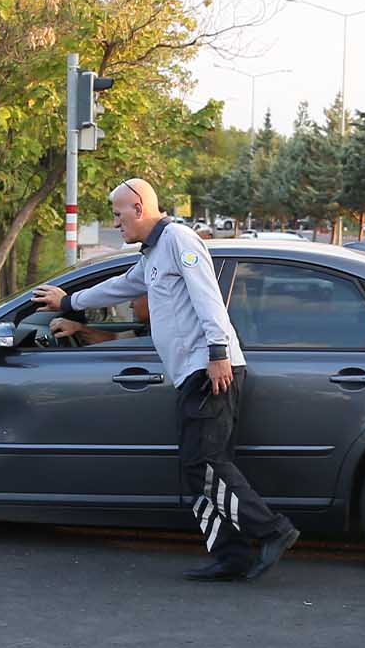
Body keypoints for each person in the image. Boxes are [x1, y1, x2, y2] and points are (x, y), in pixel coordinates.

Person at [33, 178, 299, 583]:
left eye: (118, 214)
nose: (115, 222)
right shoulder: (154, 253)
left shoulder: (178, 239)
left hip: (209, 369)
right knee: (199, 467)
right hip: (191, 373)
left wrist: (217, 353)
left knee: (204, 462)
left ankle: (273, 530)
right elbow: (120, 287)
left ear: (138, 208)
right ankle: (231, 557)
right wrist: (69, 301)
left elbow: (207, 294)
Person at [50, 295, 150, 345]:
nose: (131, 305)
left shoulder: (162, 332)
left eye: (135, 298)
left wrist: (67, 301)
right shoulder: (149, 328)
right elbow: (115, 338)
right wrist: (79, 328)